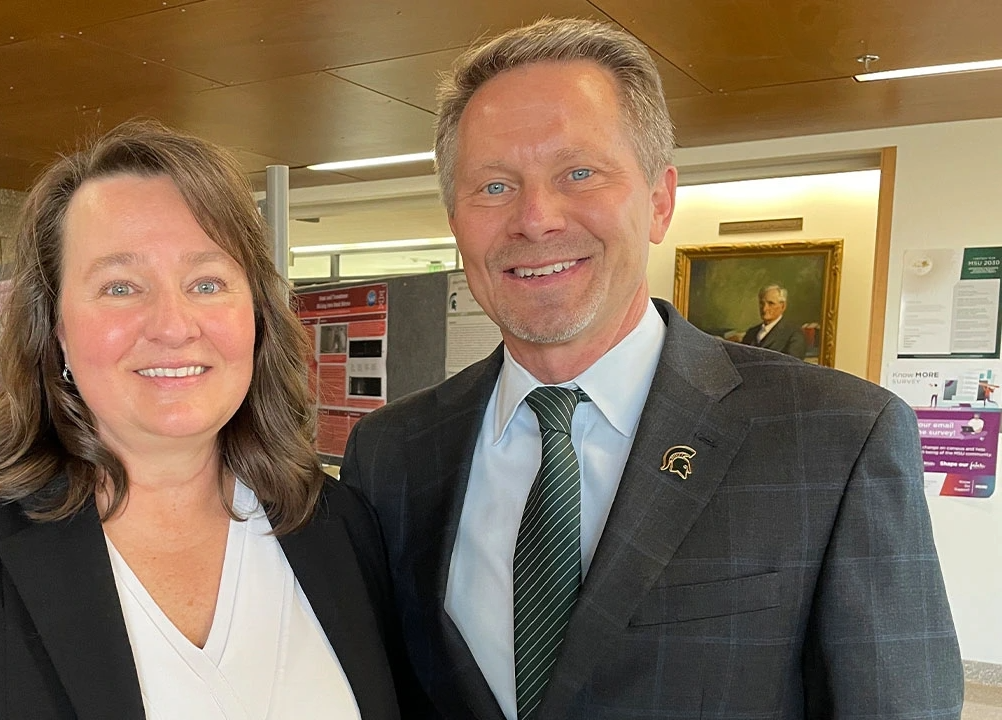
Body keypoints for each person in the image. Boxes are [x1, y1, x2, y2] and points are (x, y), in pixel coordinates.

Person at [341, 17, 962, 720]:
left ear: (660, 200)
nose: (536, 219)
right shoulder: (392, 453)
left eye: (580, 173)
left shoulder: (837, 437)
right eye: (493, 187)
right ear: (455, 220)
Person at [0, 121, 414, 720]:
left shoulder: (338, 524)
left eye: (207, 282)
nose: (174, 326)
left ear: (256, 318)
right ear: (57, 332)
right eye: (120, 286)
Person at [740, 284, 808, 359]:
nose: (764, 309)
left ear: (783, 306)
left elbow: (792, 367)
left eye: (771, 303)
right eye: (762, 303)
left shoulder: (794, 334)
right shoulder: (751, 333)